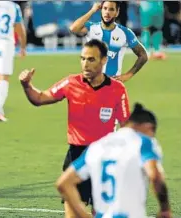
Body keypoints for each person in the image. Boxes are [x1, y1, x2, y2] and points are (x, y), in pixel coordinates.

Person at [19, 39, 130, 217]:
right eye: (83, 58)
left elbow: (126, 127)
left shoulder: (117, 89)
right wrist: (26, 86)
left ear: (103, 60)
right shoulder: (71, 83)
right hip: (77, 157)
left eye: (91, 59)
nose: (85, 64)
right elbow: (40, 98)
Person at [56, 103, 172, 218]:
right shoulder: (143, 143)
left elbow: (63, 183)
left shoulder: (96, 146)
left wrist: (83, 215)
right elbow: (155, 176)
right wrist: (165, 209)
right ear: (148, 127)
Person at [69, 1, 148, 82]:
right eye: (105, 8)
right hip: (90, 83)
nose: (107, 12)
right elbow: (73, 28)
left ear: (117, 12)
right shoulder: (92, 28)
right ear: (101, 10)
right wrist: (92, 10)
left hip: (112, 85)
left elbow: (143, 55)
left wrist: (128, 75)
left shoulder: (125, 33)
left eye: (111, 9)